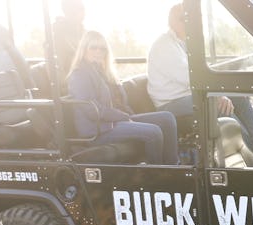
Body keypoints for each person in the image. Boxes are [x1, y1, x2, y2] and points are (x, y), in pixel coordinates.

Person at [147, 3, 253, 156]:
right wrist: (217, 95)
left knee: (238, 96)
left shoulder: (182, 43)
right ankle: (250, 154)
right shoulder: (164, 46)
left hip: (187, 96)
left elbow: (201, 73)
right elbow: (190, 78)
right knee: (220, 106)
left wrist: (223, 90)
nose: (190, 22)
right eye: (184, 19)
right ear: (173, 22)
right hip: (170, 104)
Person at [68, 31, 179, 165]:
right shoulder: (79, 74)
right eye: (93, 47)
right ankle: (157, 174)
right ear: (84, 49)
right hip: (97, 130)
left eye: (102, 48)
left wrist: (127, 116)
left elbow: (117, 101)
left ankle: (172, 166)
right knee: (153, 132)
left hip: (113, 122)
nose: (98, 51)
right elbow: (92, 111)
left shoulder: (102, 71)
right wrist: (123, 117)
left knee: (167, 118)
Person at [53, 0, 85, 79]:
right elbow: (60, 65)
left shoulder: (83, 32)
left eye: (82, 8)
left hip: (86, 75)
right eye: (80, 8)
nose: (83, 12)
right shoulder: (59, 35)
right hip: (73, 78)